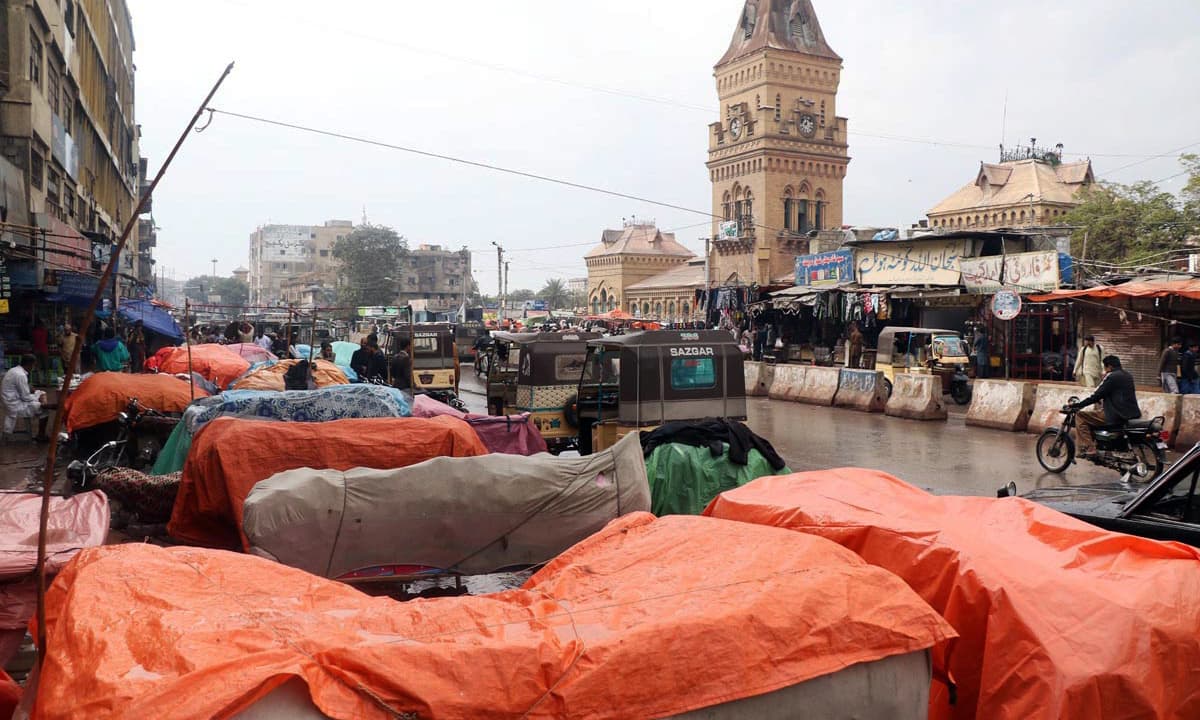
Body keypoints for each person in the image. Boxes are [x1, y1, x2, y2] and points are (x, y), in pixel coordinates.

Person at [1069, 355, 1141, 460]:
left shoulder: (1111, 376)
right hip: (1131, 414)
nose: (1105, 370)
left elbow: (1096, 395)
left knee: (1080, 416)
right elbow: (1116, 392)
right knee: (1095, 414)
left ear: (1109, 367)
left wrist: (1078, 405)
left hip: (1115, 415)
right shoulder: (1128, 375)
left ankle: (1089, 448)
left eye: (1105, 367)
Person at [1, 354, 51, 441]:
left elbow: (25, 391)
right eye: (34, 365)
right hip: (14, 405)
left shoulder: (15, 370)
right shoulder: (20, 375)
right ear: (30, 364)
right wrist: (38, 398)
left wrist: (36, 394)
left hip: (12, 400)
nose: (34, 368)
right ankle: (41, 435)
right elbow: (25, 397)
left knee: (41, 393)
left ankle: (41, 403)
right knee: (44, 411)